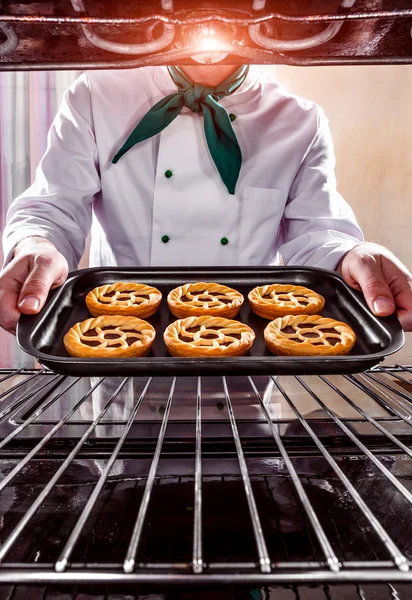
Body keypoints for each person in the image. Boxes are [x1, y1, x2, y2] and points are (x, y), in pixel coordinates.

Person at [1, 63, 411, 335]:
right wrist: (36, 245)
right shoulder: (96, 94)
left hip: (246, 361)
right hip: (121, 353)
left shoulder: (299, 119)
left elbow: (318, 234)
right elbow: (53, 207)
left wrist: (357, 253)